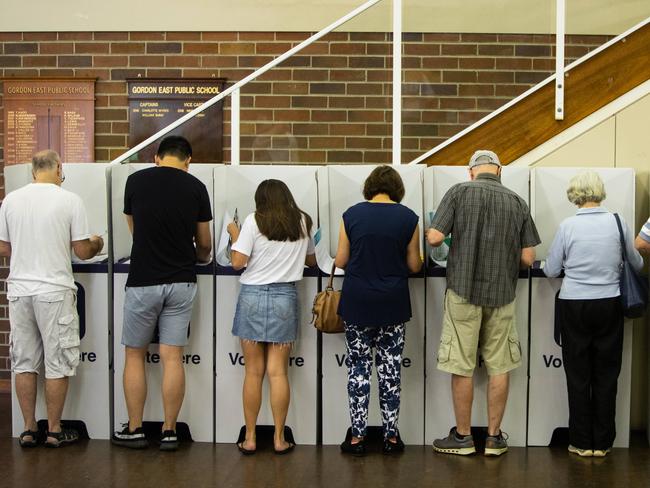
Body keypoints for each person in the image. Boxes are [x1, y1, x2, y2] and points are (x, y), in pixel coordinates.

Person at [427, 150, 540, 457]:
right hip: (502, 294)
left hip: (462, 291)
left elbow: (435, 238)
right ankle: (494, 439)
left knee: (461, 363)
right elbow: (528, 258)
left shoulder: (459, 192)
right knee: (500, 364)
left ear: (471, 171)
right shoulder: (517, 201)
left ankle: (463, 438)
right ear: (500, 171)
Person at [111, 136, 212, 452]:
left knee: (134, 354)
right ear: (188, 160)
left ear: (156, 157)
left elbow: (134, 230)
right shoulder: (196, 187)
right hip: (182, 280)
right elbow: (205, 243)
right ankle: (169, 431)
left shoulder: (134, 181)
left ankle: (136, 428)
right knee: (172, 357)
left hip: (143, 280)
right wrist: (194, 255)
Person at [0, 150, 104, 448]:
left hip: (20, 291)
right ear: (59, 168)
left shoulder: (11, 200)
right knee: (57, 362)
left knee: (24, 362)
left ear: (32, 172)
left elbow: (4, 248)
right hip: (54, 291)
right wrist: (98, 241)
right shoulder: (69, 200)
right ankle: (55, 430)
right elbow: (82, 251)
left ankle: (29, 428)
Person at [544, 170, 643, 458]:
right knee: (606, 373)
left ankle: (580, 441)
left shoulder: (567, 227)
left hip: (574, 304)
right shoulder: (618, 222)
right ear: (599, 191)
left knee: (577, 375)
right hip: (610, 303)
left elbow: (551, 269)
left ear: (574, 194)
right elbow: (635, 263)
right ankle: (602, 442)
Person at [334, 166, 422, 456]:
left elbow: (342, 260)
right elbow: (414, 266)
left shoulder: (351, 215)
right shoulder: (409, 218)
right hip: (393, 304)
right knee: (390, 371)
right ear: (397, 188)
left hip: (357, 302)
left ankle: (358, 437)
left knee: (358, 368)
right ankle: (391, 437)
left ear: (370, 186)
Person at [226, 179, 316, 455]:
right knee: (278, 373)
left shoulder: (254, 221)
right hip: (284, 299)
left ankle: (251, 437)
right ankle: (279, 438)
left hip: (253, 297)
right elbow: (311, 261)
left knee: (253, 372)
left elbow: (237, 262)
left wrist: (234, 234)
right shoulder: (302, 221)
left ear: (260, 199)